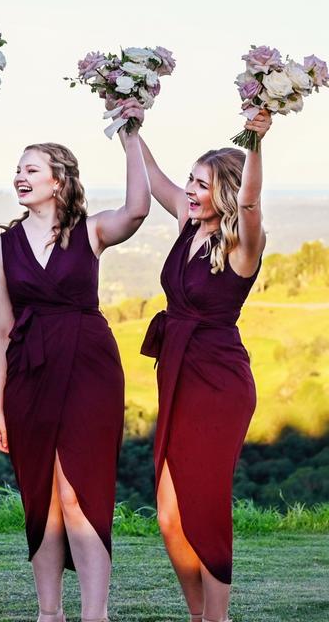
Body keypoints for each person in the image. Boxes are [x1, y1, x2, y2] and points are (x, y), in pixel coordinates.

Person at [0, 105, 150, 622]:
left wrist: (129, 138)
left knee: (80, 491)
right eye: (18, 169)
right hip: (29, 375)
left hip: (88, 369)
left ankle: (94, 615)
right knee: (44, 496)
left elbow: (139, 209)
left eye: (31, 168)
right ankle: (48, 614)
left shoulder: (92, 230)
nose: (19, 176)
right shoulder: (1, 247)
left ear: (58, 181)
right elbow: (0, 331)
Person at [139, 110, 272, 622]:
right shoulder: (186, 224)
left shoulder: (241, 245)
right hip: (175, 373)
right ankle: (198, 616)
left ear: (225, 194)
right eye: (191, 180)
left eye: (201, 184)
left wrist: (255, 140)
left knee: (206, 506)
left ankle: (216, 617)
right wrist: (129, 122)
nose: (190, 190)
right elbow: (155, 181)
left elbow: (252, 201)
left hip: (219, 385)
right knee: (170, 517)